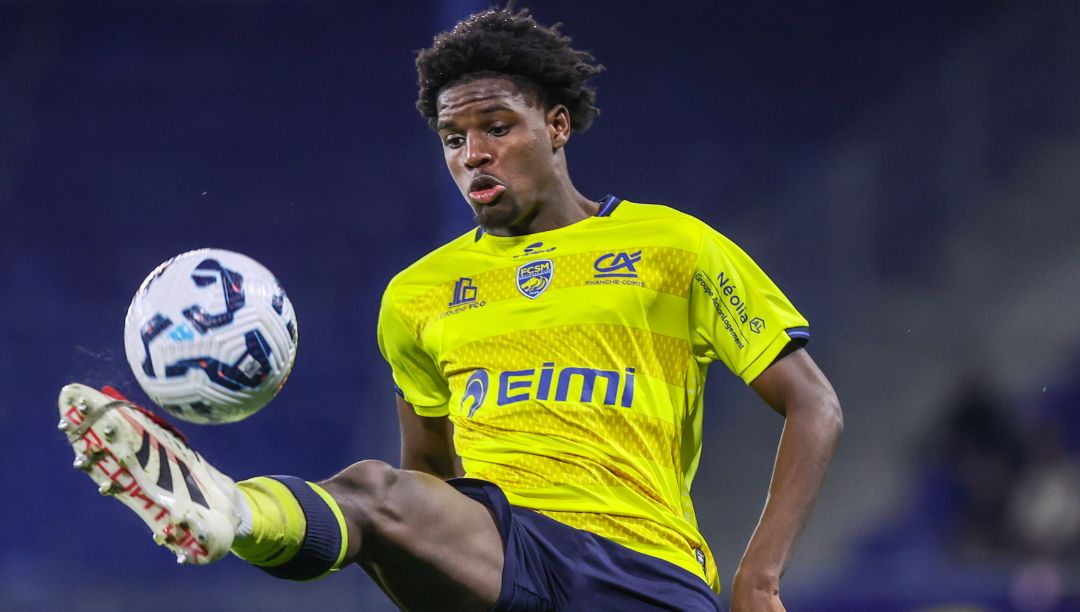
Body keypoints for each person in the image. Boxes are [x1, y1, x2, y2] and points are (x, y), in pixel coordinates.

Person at [59, 8, 843, 611]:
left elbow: (814, 404)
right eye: (453, 137)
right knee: (375, 494)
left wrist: (759, 575)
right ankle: (228, 510)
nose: (473, 155)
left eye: (496, 128)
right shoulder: (417, 295)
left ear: (557, 126)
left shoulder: (673, 246)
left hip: (640, 569)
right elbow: (428, 477)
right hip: (505, 557)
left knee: (380, 499)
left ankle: (235, 507)